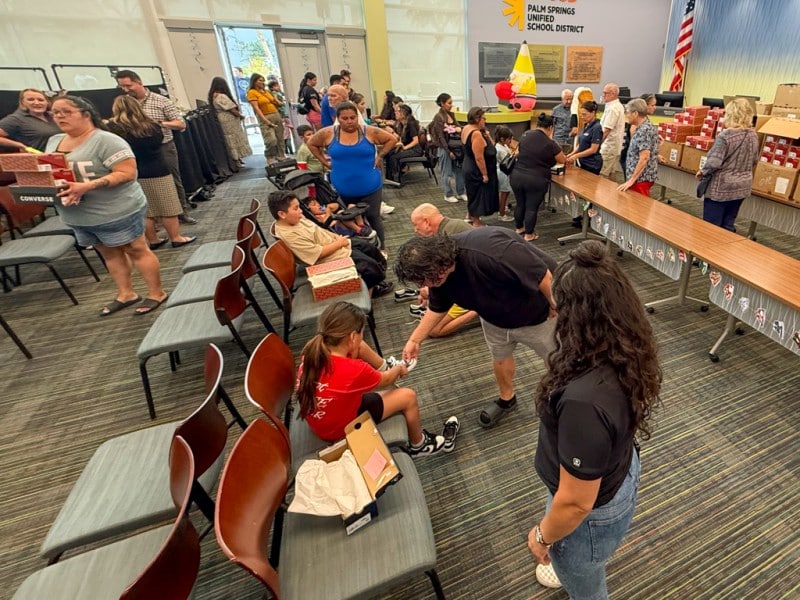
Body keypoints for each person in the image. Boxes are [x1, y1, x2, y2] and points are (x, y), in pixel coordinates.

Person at [527, 240, 661, 598]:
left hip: (588, 511)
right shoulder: (624, 341)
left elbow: (575, 502)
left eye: (559, 305)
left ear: (577, 315)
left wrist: (542, 535)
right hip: (616, 468)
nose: (553, 311)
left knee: (584, 585)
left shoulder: (584, 402)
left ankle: (576, 568)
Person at [394, 229, 557, 428]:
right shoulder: (437, 276)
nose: (427, 285)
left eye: (428, 278)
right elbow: (438, 307)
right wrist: (415, 340)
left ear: (439, 260)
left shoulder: (489, 250)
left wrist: (555, 304)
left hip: (537, 314)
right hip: (493, 316)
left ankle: (560, 400)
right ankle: (507, 398)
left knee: (557, 361)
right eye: (422, 281)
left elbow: (543, 275)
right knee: (500, 357)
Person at [45, 95, 168, 316]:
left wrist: (88, 186)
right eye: (55, 113)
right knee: (109, 253)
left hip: (117, 210)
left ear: (86, 114)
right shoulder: (54, 141)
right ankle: (126, 294)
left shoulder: (107, 140)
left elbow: (127, 173)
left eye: (66, 112)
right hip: (79, 215)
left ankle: (156, 293)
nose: (60, 117)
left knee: (136, 249)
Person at [296, 301, 459, 455]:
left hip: (321, 419)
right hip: (339, 429)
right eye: (361, 333)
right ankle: (419, 444)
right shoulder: (356, 370)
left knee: (359, 348)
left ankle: (384, 365)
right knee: (408, 396)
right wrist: (398, 369)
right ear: (352, 336)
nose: (362, 338)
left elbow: (350, 358)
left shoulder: (312, 352)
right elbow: (387, 380)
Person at [307, 102, 399, 255]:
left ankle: (381, 249)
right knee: (350, 219)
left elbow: (392, 139)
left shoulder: (369, 131)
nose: (349, 121)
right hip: (343, 186)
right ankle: (361, 250)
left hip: (370, 185)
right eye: (345, 118)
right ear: (338, 119)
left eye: (352, 117)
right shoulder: (329, 133)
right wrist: (324, 161)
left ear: (357, 117)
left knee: (373, 217)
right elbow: (311, 143)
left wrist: (380, 156)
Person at [106, 95, 196, 250]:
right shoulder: (152, 126)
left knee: (147, 211)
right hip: (157, 169)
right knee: (168, 208)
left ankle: (153, 240)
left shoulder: (114, 130)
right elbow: (160, 143)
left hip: (133, 172)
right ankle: (176, 237)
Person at [267, 190, 392, 296]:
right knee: (370, 266)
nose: (300, 211)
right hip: (328, 257)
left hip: (334, 244)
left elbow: (318, 229)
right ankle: (372, 288)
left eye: (299, 207)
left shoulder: (294, 219)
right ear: (282, 214)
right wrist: (340, 243)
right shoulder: (289, 235)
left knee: (370, 248)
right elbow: (318, 253)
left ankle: (376, 279)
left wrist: (335, 236)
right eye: (296, 208)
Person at [115, 69, 196, 225]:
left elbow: (180, 124)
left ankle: (182, 212)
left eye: (128, 86)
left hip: (162, 147)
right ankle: (153, 218)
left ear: (139, 82)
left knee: (172, 180)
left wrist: (157, 124)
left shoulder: (161, 100)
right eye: (122, 87)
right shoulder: (125, 103)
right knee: (142, 184)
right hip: (136, 150)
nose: (125, 90)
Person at [408, 204, 478, 336]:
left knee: (433, 330)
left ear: (426, 222)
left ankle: (481, 309)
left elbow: (451, 278)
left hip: (474, 287)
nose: (415, 229)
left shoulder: (447, 238)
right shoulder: (450, 228)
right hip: (468, 282)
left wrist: (430, 292)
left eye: (416, 225)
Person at [695, 97, 759, 232]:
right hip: (742, 187)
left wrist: (702, 172)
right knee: (728, 224)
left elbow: (714, 163)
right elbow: (754, 160)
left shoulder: (725, 136)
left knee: (711, 228)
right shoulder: (753, 135)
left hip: (721, 188)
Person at [510, 114, 566, 241]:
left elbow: (519, 151)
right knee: (531, 207)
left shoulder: (525, 135)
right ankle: (529, 234)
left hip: (517, 175)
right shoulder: (550, 143)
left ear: (537, 124)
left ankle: (519, 228)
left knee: (520, 204)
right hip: (535, 179)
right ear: (550, 128)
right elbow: (562, 160)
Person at [461, 107, 499, 227]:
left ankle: (469, 215)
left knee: (472, 192)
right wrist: (484, 174)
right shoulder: (476, 134)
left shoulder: (466, 128)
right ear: (477, 119)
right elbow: (479, 157)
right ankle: (477, 222)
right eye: (483, 118)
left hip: (468, 165)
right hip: (475, 169)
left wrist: (487, 136)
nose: (485, 120)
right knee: (478, 194)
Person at [428, 92, 467, 204]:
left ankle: (461, 192)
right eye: (449, 103)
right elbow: (440, 136)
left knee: (459, 171)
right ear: (442, 103)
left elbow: (458, 126)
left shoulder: (451, 115)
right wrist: (448, 151)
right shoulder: (438, 117)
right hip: (444, 148)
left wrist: (459, 128)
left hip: (455, 147)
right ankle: (448, 194)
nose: (451, 105)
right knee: (447, 172)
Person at [617, 98, 660, 196]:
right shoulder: (641, 127)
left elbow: (644, 157)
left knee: (638, 205)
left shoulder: (644, 130)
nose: (626, 116)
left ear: (635, 113)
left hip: (640, 179)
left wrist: (631, 180)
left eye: (628, 112)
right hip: (638, 179)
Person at [207, 76, 252, 165]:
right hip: (229, 118)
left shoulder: (213, 96)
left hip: (221, 118)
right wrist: (240, 116)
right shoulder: (221, 96)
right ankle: (237, 159)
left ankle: (236, 159)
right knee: (234, 138)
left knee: (229, 139)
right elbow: (231, 109)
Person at [247, 73, 284, 165]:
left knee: (280, 137)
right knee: (271, 140)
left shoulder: (266, 91)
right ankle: (269, 156)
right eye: (260, 80)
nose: (262, 82)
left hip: (275, 114)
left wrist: (278, 100)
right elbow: (256, 108)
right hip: (265, 116)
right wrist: (266, 120)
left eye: (263, 80)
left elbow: (276, 102)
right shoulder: (252, 92)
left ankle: (281, 156)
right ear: (254, 81)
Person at [385, 104, 422, 182]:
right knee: (389, 154)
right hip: (409, 148)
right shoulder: (401, 124)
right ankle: (389, 178)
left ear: (403, 113)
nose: (395, 113)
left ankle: (396, 179)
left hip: (415, 150)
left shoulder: (410, 124)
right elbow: (401, 138)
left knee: (394, 157)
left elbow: (416, 140)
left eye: (397, 111)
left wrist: (405, 148)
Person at [620, 93, 656, 170]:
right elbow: (637, 146)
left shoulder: (645, 123)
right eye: (652, 105)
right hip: (631, 160)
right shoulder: (637, 123)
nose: (654, 107)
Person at [565, 101, 603, 175]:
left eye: (584, 114)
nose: (582, 117)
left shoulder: (597, 127)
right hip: (583, 162)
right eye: (581, 115)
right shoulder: (586, 125)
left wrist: (576, 156)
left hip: (592, 164)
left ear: (593, 113)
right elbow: (581, 143)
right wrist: (571, 154)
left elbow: (593, 149)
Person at [598, 83, 625, 180]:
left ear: (613, 94)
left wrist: (597, 144)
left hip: (608, 147)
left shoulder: (613, 108)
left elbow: (606, 130)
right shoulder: (615, 105)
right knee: (611, 175)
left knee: (603, 176)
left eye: (606, 93)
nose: (603, 95)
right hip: (613, 147)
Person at [494, 126, 516, 222]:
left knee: (505, 192)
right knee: (504, 193)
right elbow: (508, 162)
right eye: (509, 139)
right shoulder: (499, 149)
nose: (511, 141)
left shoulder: (504, 146)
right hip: (503, 173)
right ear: (502, 139)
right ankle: (501, 213)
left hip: (504, 172)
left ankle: (502, 208)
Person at [268, 80, 293, 155]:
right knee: (285, 133)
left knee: (285, 132)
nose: (278, 87)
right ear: (272, 88)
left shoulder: (276, 93)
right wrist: (280, 103)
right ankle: (287, 150)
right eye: (276, 86)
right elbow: (275, 99)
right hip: (281, 113)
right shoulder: (274, 93)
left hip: (282, 113)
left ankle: (286, 149)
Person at [551, 89, 574, 153]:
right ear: (562, 99)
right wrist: (550, 138)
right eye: (567, 99)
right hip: (558, 139)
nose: (569, 101)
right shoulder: (556, 109)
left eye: (571, 99)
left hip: (570, 139)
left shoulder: (574, 110)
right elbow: (552, 125)